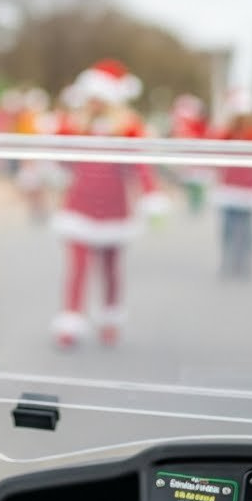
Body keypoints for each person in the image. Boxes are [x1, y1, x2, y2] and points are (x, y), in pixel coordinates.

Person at [51, 59, 167, 348]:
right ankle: (71, 319)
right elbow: (58, 157)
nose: (95, 104)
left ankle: (109, 318)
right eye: (91, 98)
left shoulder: (127, 128)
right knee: (77, 269)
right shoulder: (76, 127)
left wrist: (151, 194)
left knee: (111, 269)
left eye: (100, 98)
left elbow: (142, 165)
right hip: (79, 205)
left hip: (114, 207)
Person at [210, 89, 252, 280]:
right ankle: (228, 260)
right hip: (229, 188)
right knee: (227, 228)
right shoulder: (227, 132)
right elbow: (215, 149)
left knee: (246, 229)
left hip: (249, 190)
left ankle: (244, 262)